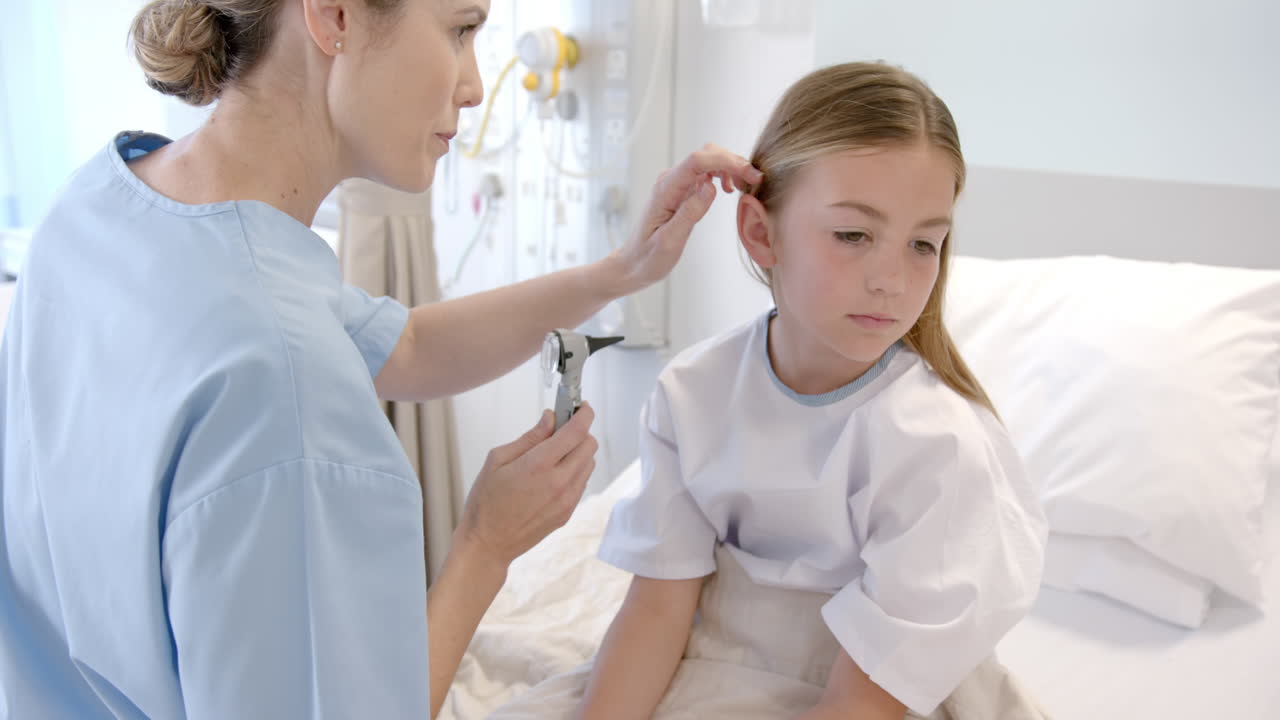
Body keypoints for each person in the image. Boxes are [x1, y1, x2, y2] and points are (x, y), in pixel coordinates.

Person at [0, 0, 762, 718]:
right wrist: (483, 549)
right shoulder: (280, 378)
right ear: (334, 16)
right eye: (460, 29)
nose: (471, 86)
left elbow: (404, 345)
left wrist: (620, 273)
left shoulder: (102, 207)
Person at [489, 62, 1048, 720]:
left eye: (924, 244)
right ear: (760, 231)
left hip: (874, 694)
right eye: (853, 235)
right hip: (715, 660)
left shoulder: (939, 447)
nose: (892, 281)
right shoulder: (694, 395)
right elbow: (658, 609)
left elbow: (866, 698)